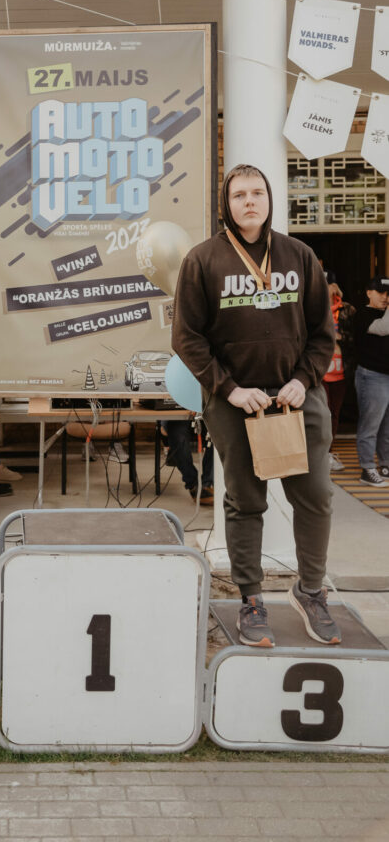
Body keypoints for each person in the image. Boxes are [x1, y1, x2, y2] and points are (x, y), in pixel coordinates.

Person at [173, 163, 340, 647]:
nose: (249, 201)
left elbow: (322, 333)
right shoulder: (203, 260)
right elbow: (187, 337)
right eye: (239, 194)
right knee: (246, 501)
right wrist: (228, 390)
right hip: (236, 402)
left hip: (296, 397)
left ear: (269, 199)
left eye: (257, 193)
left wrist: (303, 380)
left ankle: (311, 591)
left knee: (316, 496)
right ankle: (250, 599)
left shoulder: (299, 255)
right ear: (226, 204)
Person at [354, 276, 389, 487]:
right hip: (372, 376)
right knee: (370, 425)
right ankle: (367, 468)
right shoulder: (362, 314)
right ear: (369, 292)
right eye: (380, 292)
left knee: (387, 427)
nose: (385, 297)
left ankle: (385, 464)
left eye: (388, 293)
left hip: (385, 376)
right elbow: (383, 328)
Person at [322, 282, 355, 472]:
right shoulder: (311, 305)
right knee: (322, 413)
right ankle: (320, 454)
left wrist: (341, 337)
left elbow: (356, 337)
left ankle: (329, 452)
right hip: (319, 372)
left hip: (341, 369)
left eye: (327, 284)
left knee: (334, 414)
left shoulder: (347, 310)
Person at [162, 420, 214, 503]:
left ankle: (207, 485)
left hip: (206, 415)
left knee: (218, 432)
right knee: (177, 435)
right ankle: (194, 484)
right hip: (180, 415)